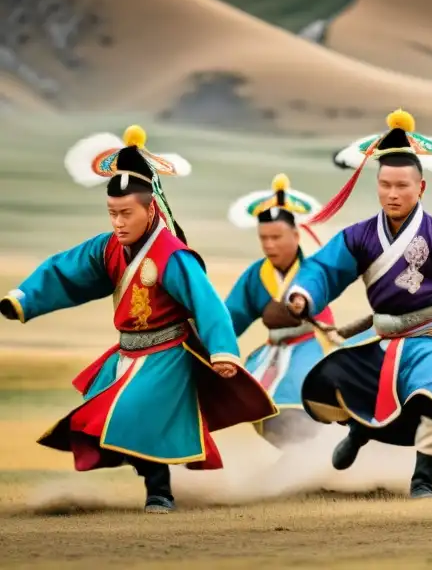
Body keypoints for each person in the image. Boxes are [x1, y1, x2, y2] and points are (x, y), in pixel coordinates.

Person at [0, 126, 276, 514]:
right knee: (110, 418)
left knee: (138, 412)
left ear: (150, 209)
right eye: (112, 213)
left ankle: (159, 492)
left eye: (126, 213)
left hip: (168, 355)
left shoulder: (171, 255)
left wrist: (223, 350)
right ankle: (151, 476)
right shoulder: (109, 247)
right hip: (127, 354)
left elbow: (206, 302)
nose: (118, 222)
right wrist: (24, 299)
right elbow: (66, 271)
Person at [284, 110, 432, 499]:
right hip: (383, 335)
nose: (393, 193)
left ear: (421, 188)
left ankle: (423, 481)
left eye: (402, 186)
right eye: (385, 184)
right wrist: (303, 294)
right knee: (346, 381)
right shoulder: (359, 236)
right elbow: (323, 268)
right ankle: (358, 432)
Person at [226, 173, 336, 447]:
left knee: (299, 396)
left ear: (296, 235)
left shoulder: (313, 269)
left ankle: (317, 454)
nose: (269, 245)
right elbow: (232, 317)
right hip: (273, 352)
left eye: (276, 237)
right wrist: (211, 344)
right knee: (255, 400)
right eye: (263, 238)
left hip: (312, 344)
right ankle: (298, 458)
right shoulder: (257, 275)